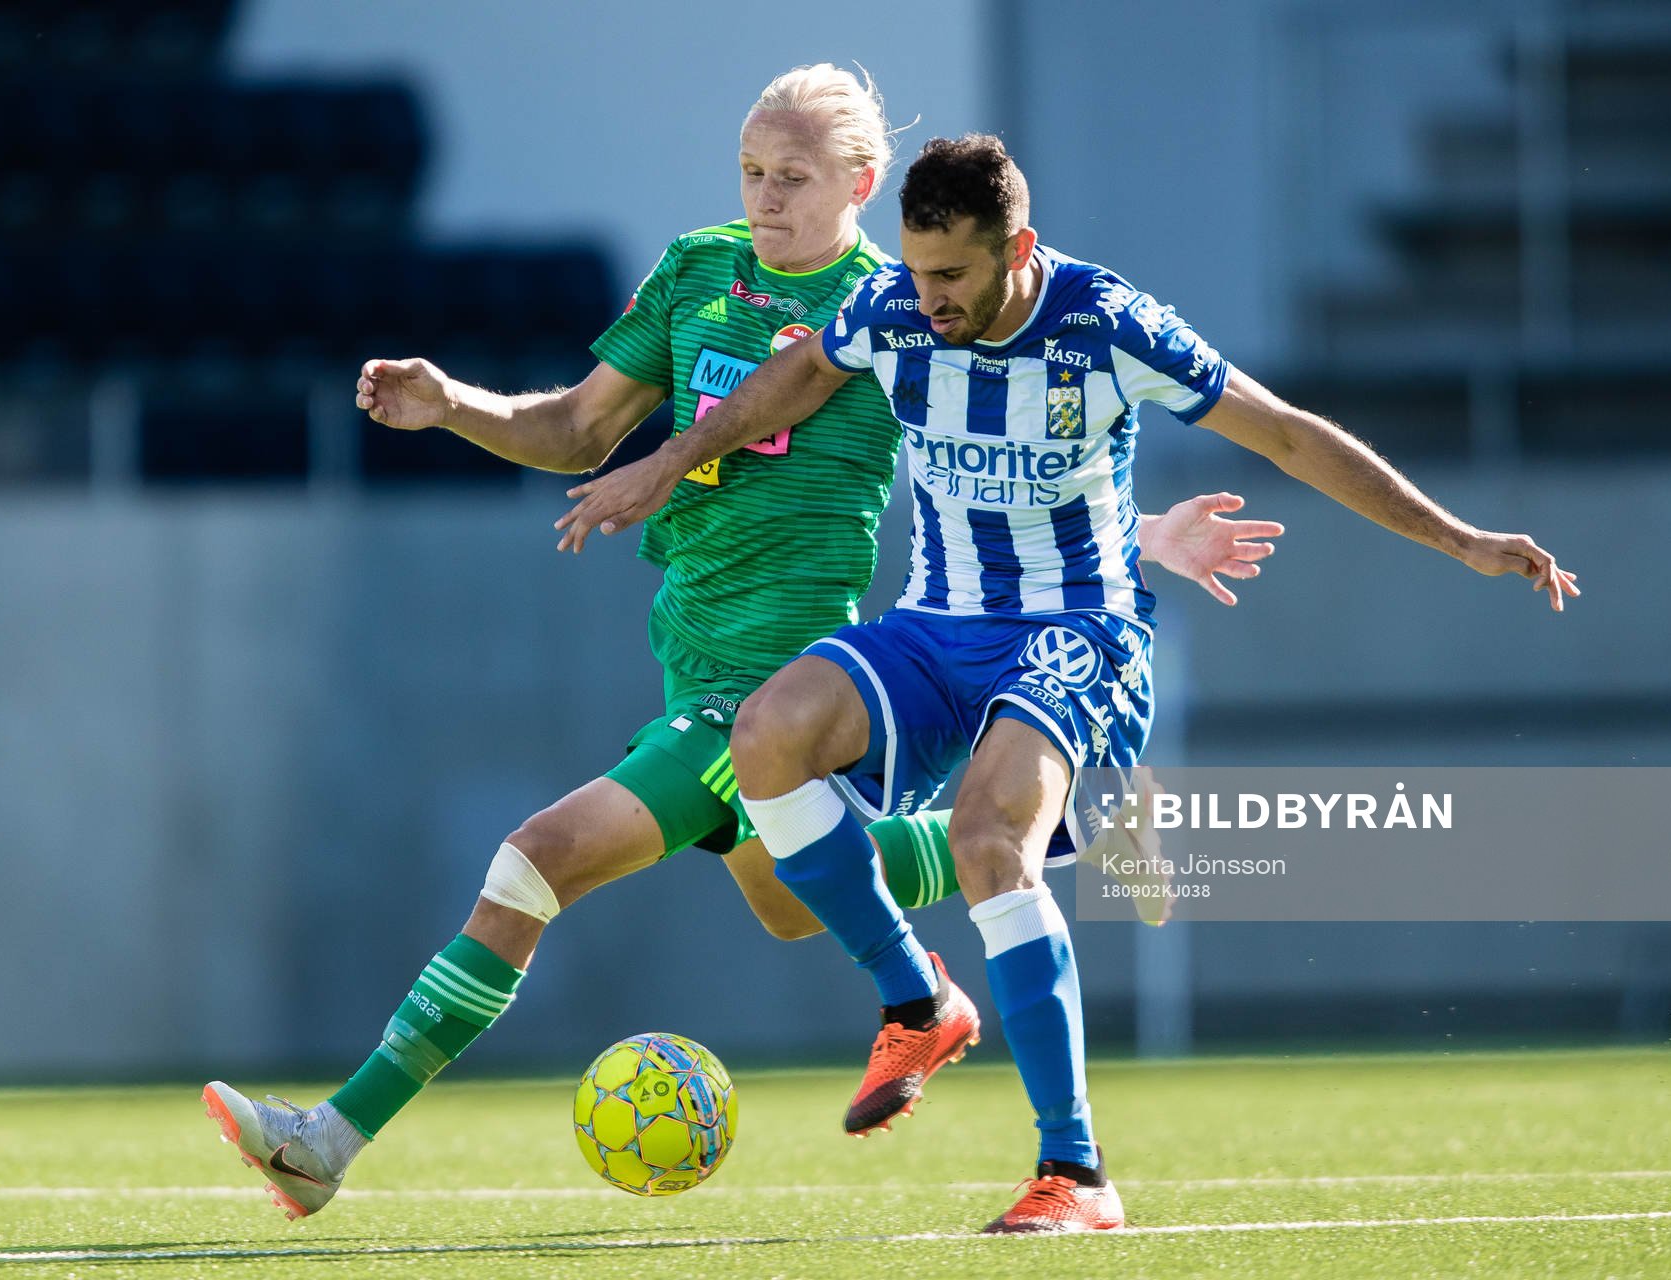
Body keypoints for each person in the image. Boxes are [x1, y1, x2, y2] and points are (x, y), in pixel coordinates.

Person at [201, 72, 1280, 1222]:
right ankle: (1073, 835)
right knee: (787, 901)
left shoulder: (905, 306)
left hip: (785, 675)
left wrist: (1145, 537)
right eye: (753, 174)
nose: (766, 199)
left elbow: (1012, 467)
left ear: (863, 185)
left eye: (795, 179)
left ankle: (327, 1139)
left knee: (536, 858)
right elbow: (577, 428)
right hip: (691, 656)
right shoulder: (698, 270)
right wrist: (452, 401)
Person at [556, 133, 1579, 1233]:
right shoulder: (893, 306)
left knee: (991, 836)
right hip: (936, 627)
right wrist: (663, 462)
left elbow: (1284, 435)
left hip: (1074, 630)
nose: (927, 296)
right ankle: (917, 998)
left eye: (952, 274)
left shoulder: (1105, 322)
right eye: (915, 269)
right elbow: (797, 374)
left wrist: (1461, 538)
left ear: (1016, 250)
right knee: (766, 734)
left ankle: (1075, 1171)